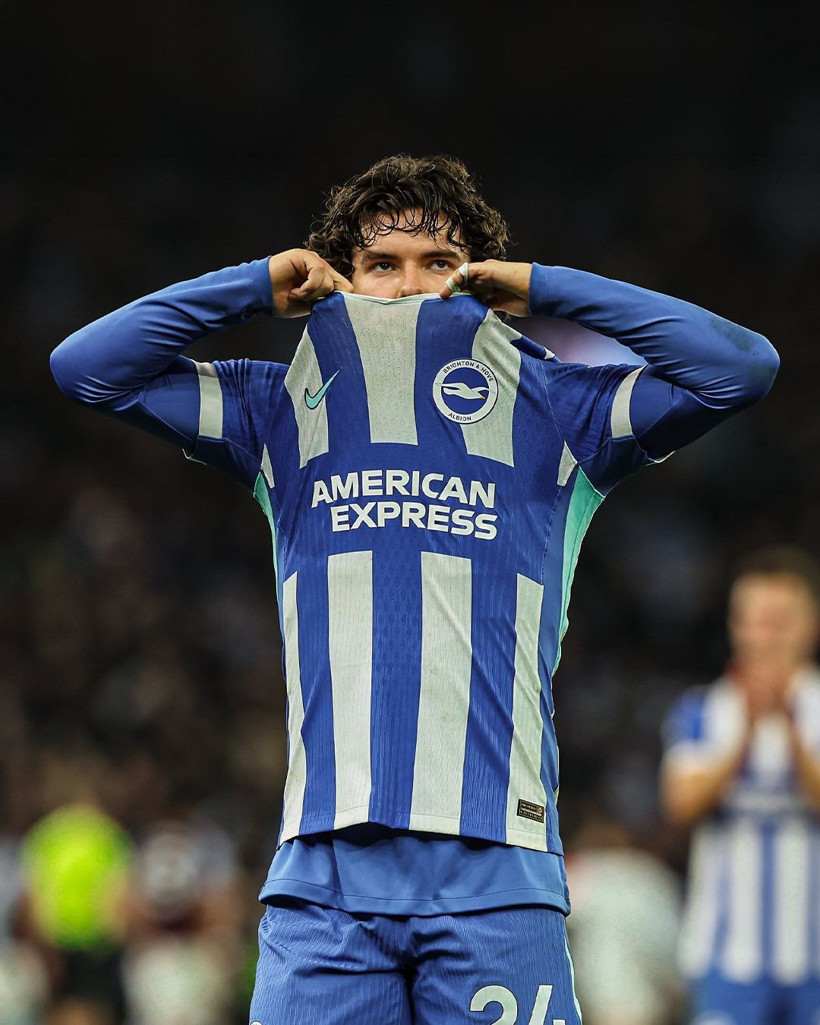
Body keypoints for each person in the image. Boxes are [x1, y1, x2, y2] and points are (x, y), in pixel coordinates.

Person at [50, 154, 779, 1025]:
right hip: (325, 886)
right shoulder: (280, 408)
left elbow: (741, 367)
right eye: (381, 264)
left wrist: (547, 288)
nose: (410, 288)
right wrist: (253, 287)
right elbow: (87, 367)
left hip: (497, 875)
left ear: (481, 279)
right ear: (340, 279)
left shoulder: (556, 407)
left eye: (439, 263)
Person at [661, 547, 820, 1025]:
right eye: (752, 621)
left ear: (809, 626)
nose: (762, 637)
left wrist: (790, 727)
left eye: (778, 622)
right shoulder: (701, 709)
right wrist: (745, 737)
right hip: (725, 956)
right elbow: (680, 804)